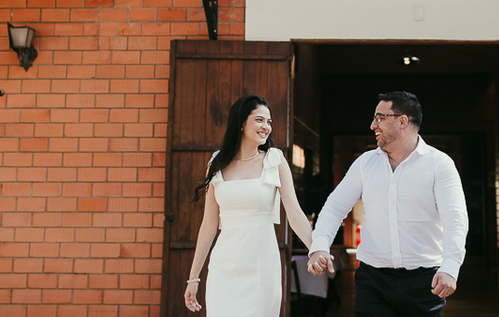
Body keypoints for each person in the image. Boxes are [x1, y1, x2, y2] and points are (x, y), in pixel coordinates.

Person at [306, 91, 468, 316]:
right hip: (373, 282)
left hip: (424, 282)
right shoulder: (364, 163)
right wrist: (319, 246)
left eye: (380, 118)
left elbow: (455, 219)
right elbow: (335, 206)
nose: (373, 125)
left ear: (403, 121)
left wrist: (450, 268)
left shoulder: (440, 164)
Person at [184, 94, 314, 315]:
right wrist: (193, 278)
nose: (266, 127)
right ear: (241, 122)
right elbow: (208, 225)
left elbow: (295, 213)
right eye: (259, 120)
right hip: (223, 267)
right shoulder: (217, 163)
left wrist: (316, 249)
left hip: (261, 268)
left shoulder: (274, 160)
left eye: (269, 122)